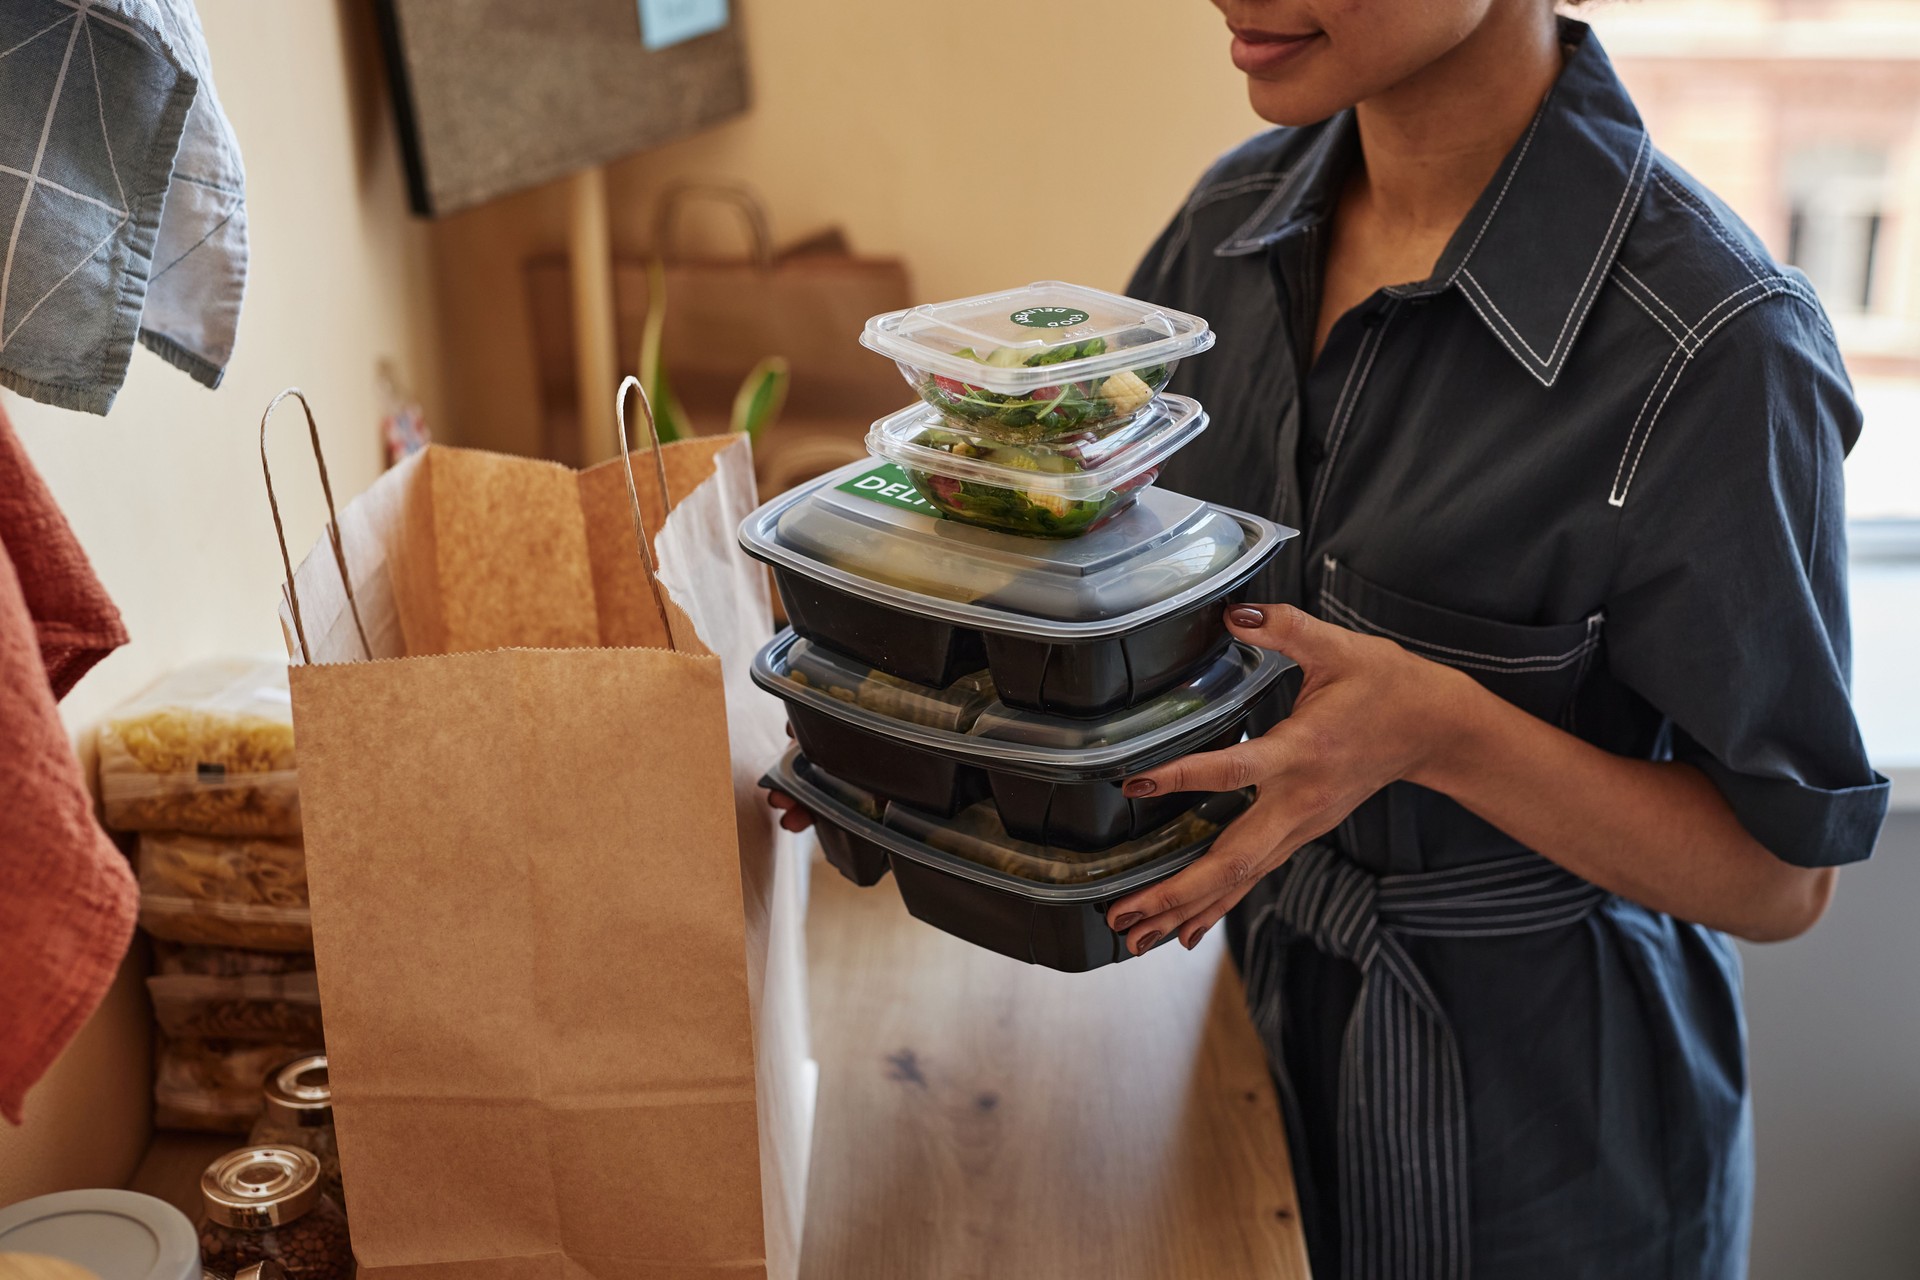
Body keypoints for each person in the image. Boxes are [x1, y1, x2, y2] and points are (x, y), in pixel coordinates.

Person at [774, 1, 1890, 1275]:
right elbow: (1120, 590)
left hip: (1558, 1155)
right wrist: (894, 715)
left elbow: (1781, 879)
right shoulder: (1225, 234)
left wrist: (1444, 730)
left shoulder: (1716, 346)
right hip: (1254, 1040)